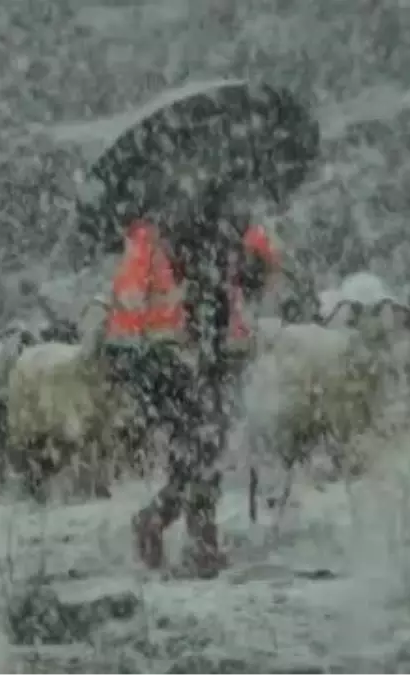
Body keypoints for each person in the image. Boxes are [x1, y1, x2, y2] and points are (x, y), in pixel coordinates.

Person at [102, 205, 282, 578]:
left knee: (204, 448)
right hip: (167, 362)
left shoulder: (228, 227)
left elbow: (261, 271)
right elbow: (129, 307)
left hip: (213, 357)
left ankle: (166, 523)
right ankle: (196, 538)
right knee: (200, 445)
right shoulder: (148, 242)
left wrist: (247, 257)